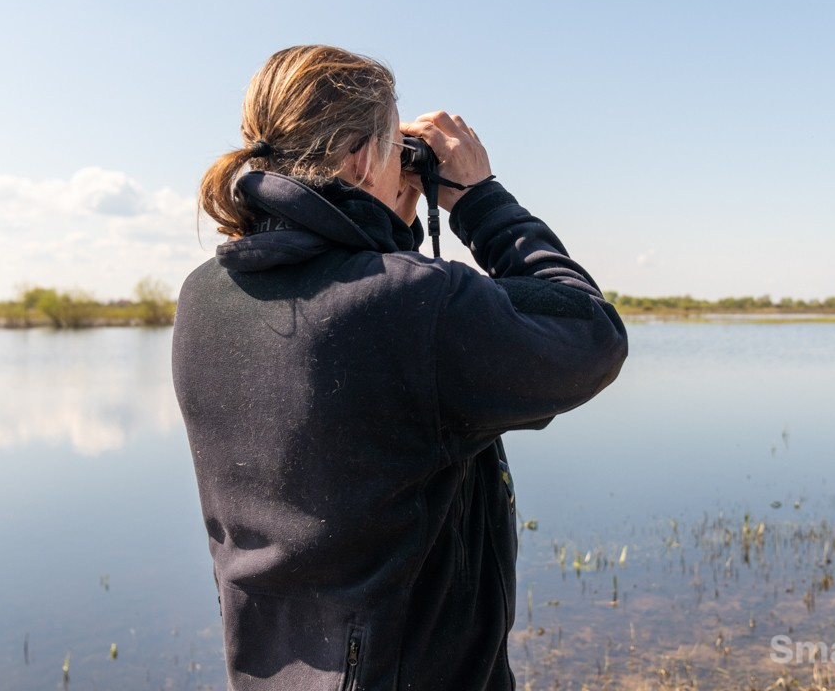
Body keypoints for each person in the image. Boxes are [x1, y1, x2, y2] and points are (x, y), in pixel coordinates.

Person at [172, 45, 627, 691]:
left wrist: (387, 222)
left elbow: (358, 331)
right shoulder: (410, 306)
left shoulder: (205, 297)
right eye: (394, 151)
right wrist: (479, 199)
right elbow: (589, 335)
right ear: (361, 157)